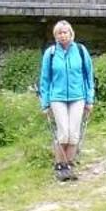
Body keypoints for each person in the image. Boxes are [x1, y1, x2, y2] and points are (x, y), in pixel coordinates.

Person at [37, 20, 94, 182]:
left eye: (65, 32)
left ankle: (69, 166)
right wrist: (45, 103)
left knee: (74, 134)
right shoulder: (51, 53)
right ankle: (59, 165)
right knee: (63, 133)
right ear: (55, 36)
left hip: (78, 97)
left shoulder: (81, 51)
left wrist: (89, 100)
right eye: (59, 33)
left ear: (71, 34)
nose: (63, 35)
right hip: (57, 98)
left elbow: (88, 76)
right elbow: (45, 79)